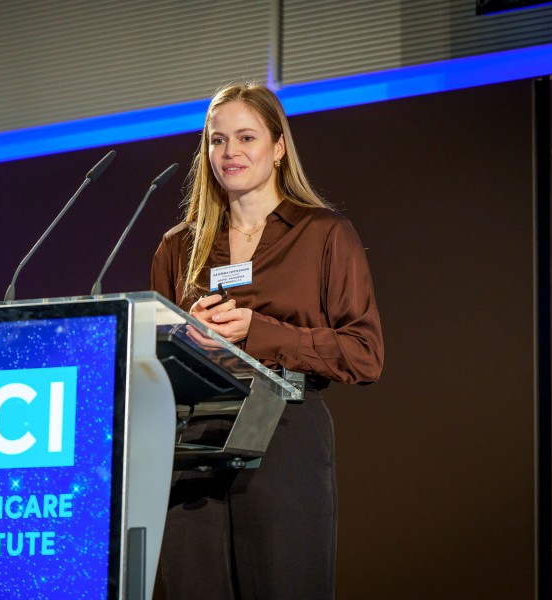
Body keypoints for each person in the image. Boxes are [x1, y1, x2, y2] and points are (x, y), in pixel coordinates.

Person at [150, 82, 384, 599]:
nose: (229, 152)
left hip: (284, 425)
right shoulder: (178, 247)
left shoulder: (323, 234)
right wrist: (187, 338)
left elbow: (364, 355)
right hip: (194, 438)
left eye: (246, 137)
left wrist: (258, 331)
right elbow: (154, 362)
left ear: (278, 148)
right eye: (217, 140)